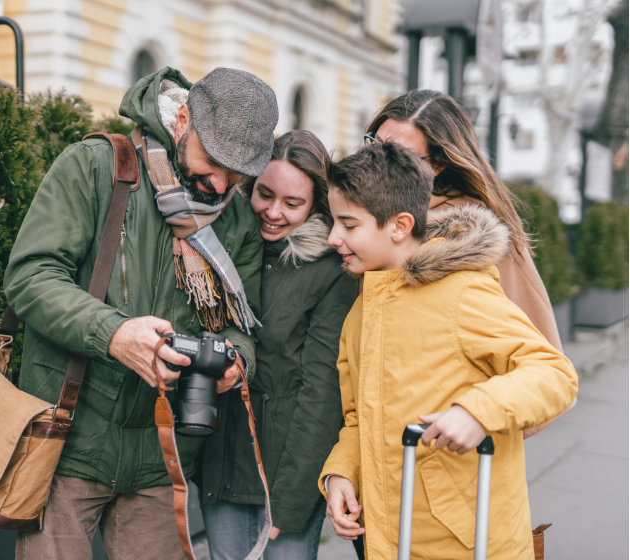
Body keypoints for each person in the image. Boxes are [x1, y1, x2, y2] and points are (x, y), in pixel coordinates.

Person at [4, 67, 278, 560]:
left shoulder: (236, 218)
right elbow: (30, 278)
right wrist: (113, 335)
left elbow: (244, 325)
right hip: (67, 444)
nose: (221, 183)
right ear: (183, 120)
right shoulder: (96, 167)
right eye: (213, 160)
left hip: (162, 459)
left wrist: (236, 360)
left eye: (238, 173)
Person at [319, 142, 578, 559]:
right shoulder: (360, 312)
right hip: (390, 540)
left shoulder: (463, 291)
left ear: (400, 225)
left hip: (469, 544)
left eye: (348, 225)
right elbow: (358, 418)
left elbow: (554, 373)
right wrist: (341, 473)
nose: (333, 237)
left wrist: (478, 411)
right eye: (334, 222)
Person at [364, 90, 575, 441]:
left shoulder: (477, 239)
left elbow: (548, 367)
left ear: (439, 164)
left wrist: (479, 418)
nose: (380, 161)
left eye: (400, 155)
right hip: (357, 449)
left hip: (435, 453)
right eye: (375, 145)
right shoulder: (348, 217)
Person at [197, 130, 356, 560]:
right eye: (264, 194)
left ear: (316, 205)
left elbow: (322, 394)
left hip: (286, 475)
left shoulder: (331, 271)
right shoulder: (221, 246)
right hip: (223, 461)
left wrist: (293, 498)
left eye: (292, 203)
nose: (273, 212)